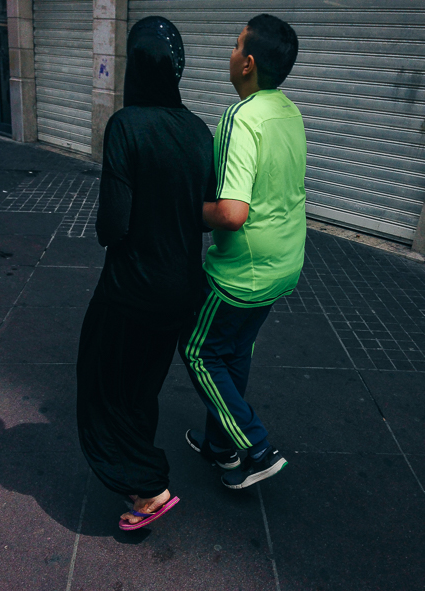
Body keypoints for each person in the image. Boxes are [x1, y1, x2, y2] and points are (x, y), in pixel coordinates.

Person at [76, 16, 215, 529]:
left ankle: (150, 485)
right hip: (182, 290)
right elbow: (205, 212)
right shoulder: (199, 131)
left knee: (101, 383)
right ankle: (141, 487)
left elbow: (112, 226)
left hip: (132, 289)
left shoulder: (126, 125)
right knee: (141, 387)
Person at [179, 14, 306, 489]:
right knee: (233, 352)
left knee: (198, 352)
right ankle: (220, 447)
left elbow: (232, 213)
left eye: (235, 46)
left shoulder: (241, 116)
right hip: (283, 264)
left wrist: (185, 209)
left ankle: (255, 446)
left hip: (241, 272)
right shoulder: (289, 112)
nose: (230, 54)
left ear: (248, 63)